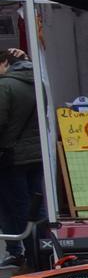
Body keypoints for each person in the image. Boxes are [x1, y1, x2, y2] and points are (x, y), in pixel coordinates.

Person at [0, 49, 42, 262]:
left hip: (12, 156)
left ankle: (30, 256)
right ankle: (42, 252)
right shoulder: (39, 83)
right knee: (37, 206)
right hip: (36, 154)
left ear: (5, 62)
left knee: (16, 206)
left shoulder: (6, 85)